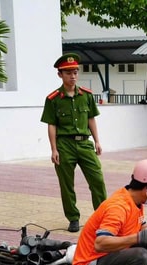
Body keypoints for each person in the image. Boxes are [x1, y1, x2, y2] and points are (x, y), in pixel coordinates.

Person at [40, 53, 107, 233]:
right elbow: (51, 125)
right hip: (64, 145)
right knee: (66, 184)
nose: (73, 76)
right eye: (68, 72)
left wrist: (97, 141)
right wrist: (53, 149)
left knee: (97, 180)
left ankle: (102, 217)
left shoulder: (86, 95)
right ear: (60, 74)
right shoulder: (53, 99)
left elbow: (91, 119)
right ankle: (73, 218)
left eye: (75, 72)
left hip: (85, 144)